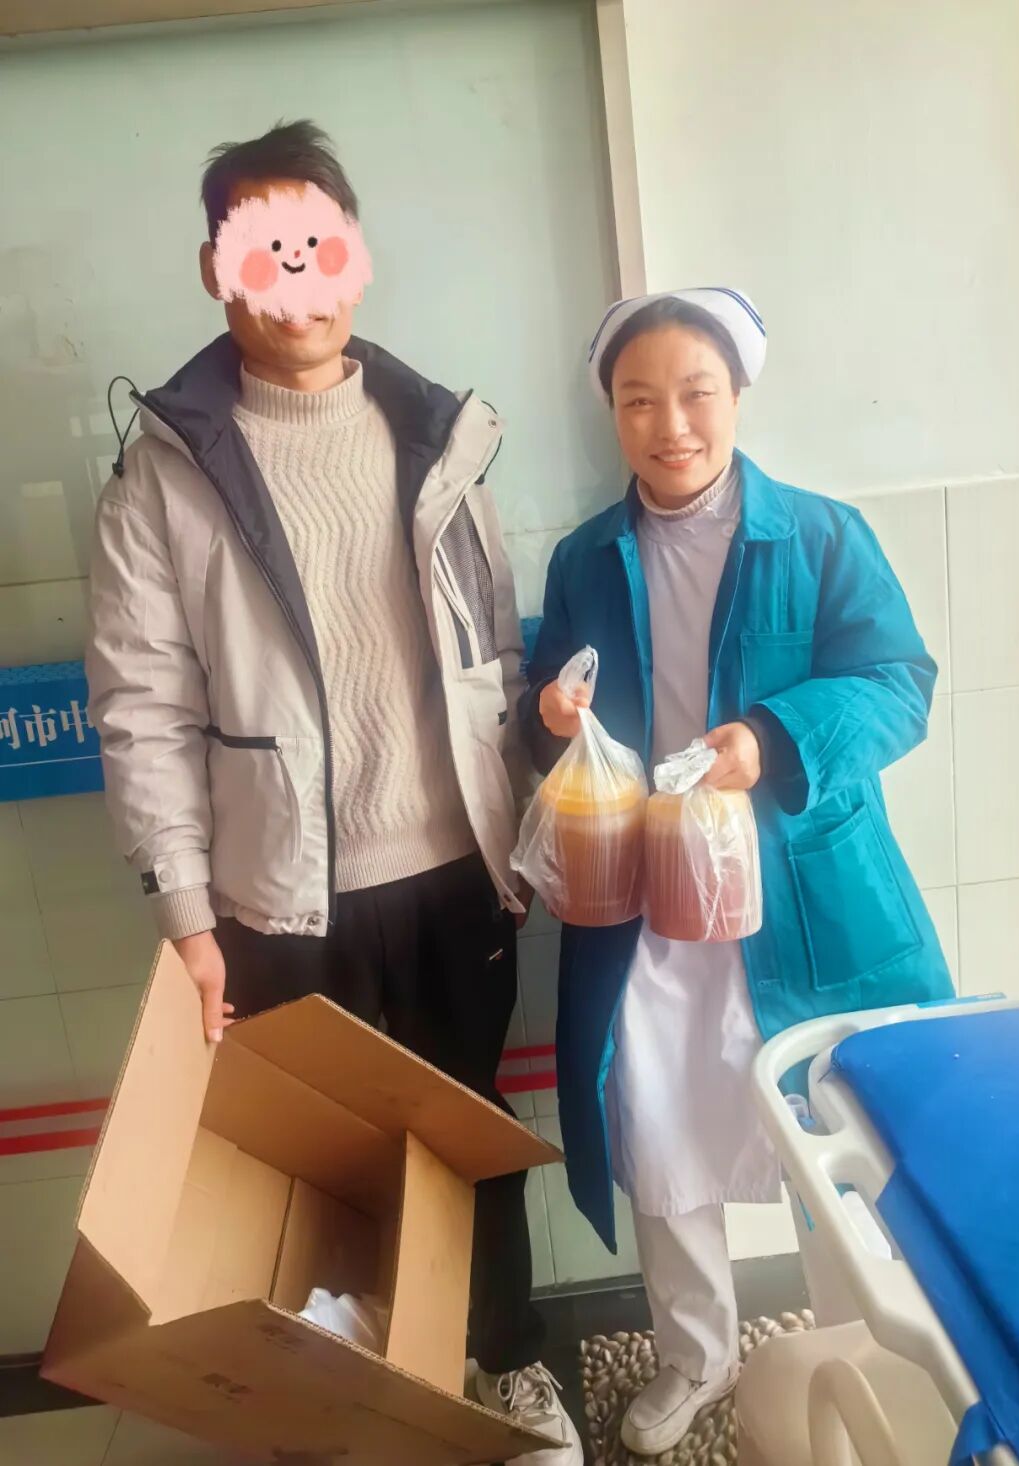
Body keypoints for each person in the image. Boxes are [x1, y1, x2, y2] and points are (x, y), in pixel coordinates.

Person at [86, 119, 582, 1466]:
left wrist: (521, 838)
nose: (295, 276)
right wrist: (189, 916)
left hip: (455, 877)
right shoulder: (164, 474)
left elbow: (493, 658)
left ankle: (506, 1367)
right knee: (332, 1169)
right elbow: (141, 707)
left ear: (355, 256)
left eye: (317, 240)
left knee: (468, 1137)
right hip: (281, 897)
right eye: (263, 247)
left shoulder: (443, 439)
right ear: (216, 269)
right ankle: (360, 1411)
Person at [522, 288, 953, 1458]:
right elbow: (543, 699)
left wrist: (769, 738)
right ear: (612, 413)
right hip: (647, 907)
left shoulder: (819, 536)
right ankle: (697, 1352)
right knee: (660, 1127)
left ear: (738, 394)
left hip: (803, 902)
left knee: (835, 1132)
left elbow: (898, 684)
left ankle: (865, 1343)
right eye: (638, 400)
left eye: (695, 393)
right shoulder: (585, 557)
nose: (670, 425)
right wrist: (548, 713)